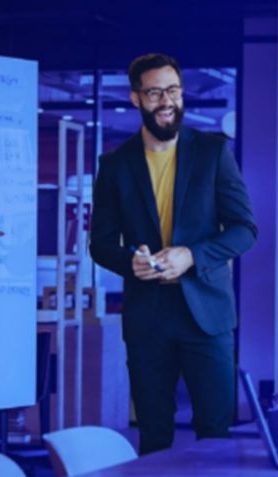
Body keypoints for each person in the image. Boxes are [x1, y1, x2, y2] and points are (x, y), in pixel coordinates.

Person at [88, 52, 258, 455]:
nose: (167, 101)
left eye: (173, 91)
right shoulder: (115, 165)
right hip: (148, 316)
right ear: (135, 98)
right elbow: (100, 243)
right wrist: (128, 261)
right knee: (153, 435)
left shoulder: (213, 153)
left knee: (216, 433)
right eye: (154, 92)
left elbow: (244, 230)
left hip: (208, 315)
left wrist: (191, 255)